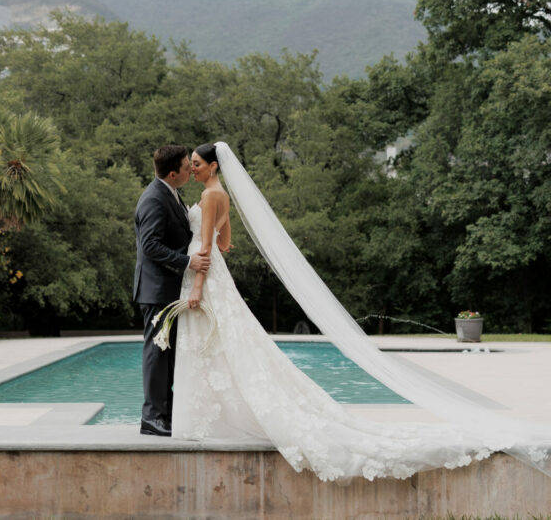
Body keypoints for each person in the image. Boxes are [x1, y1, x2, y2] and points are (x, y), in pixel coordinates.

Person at [170, 142, 489, 479]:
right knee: (226, 342)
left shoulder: (208, 196)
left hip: (204, 276)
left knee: (212, 341)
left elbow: (207, 248)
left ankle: (209, 417)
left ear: (214, 166)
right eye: (191, 164)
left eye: (197, 164)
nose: (193, 169)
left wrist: (197, 288)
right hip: (216, 272)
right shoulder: (222, 194)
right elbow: (224, 242)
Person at [133, 144, 210, 437]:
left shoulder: (170, 193)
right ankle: (152, 418)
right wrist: (188, 261)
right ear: (173, 173)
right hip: (157, 289)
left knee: (167, 353)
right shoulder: (153, 198)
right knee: (157, 351)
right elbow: (150, 245)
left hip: (169, 288)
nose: (191, 169)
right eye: (186, 166)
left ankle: (164, 412)